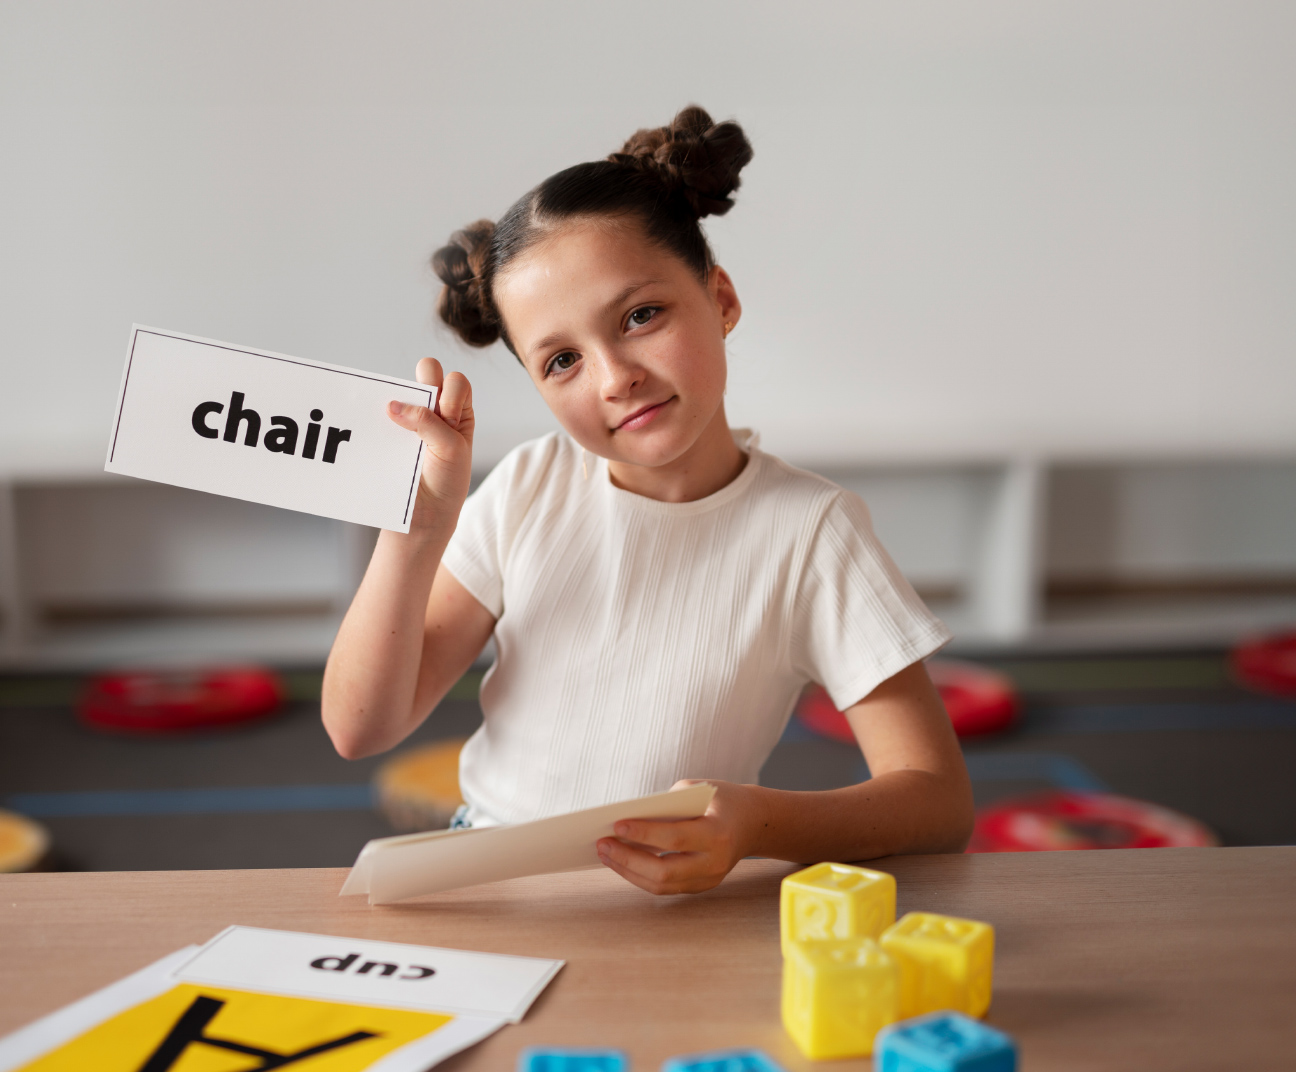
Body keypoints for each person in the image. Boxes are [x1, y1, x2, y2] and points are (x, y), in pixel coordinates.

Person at [321, 106, 973, 895]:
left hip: (676, 905)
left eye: (640, 317)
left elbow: (936, 800)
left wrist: (760, 825)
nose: (612, 376)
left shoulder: (813, 532)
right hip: (486, 881)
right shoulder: (528, 487)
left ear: (721, 299)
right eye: (561, 360)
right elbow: (359, 728)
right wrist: (416, 531)